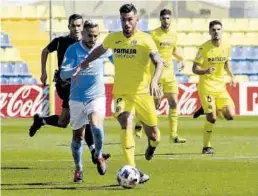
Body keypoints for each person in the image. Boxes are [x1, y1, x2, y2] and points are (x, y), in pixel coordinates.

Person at [73, 4, 164, 184]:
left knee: (153, 134)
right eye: (123, 19)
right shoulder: (114, 38)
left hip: (143, 94)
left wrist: (154, 81)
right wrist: (84, 62)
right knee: (126, 120)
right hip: (122, 93)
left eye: (130, 19)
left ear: (137, 20)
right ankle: (133, 168)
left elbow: (159, 62)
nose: (126, 23)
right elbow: (100, 49)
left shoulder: (146, 40)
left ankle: (152, 146)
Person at [28, 14, 110, 164]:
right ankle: (95, 152)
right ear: (69, 27)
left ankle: (42, 121)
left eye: (79, 25)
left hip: (82, 86)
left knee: (63, 121)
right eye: (74, 26)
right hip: (65, 85)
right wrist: (44, 72)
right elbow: (45, 51)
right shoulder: (61, 42)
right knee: (85, 119)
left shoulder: (87, 42)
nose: (76, 29)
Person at [60, 20, 112, 182]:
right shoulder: (73, 50)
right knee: (78, 137)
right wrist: (75, 69)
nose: (93, 39)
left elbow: (119, 62)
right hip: (76, 99)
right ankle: (79, 169)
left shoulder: (102, 49)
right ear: (82, 34)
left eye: (96, 36)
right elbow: (63, 74)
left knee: (96, 126)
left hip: (96, 96)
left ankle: (98, 154)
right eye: (89, 35)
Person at [135, 9, 187, 143]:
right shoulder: (153, 34)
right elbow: (147, 50)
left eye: (168, 18)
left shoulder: (174, 35)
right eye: (164, 18)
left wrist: (181, 59)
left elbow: (173, 49)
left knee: (174, 102)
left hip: (169, 73)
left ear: (171, 19)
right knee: (154, 104)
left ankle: (173, 135)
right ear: (160, 19)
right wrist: (157, 59)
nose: (166, 21)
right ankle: (139, 124)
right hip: (156, 73)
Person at [192, 20, 236, 154]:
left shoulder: (227, 45)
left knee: (231, 116)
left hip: (220, 87)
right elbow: (194, 68)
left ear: (221, 31)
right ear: (209, 32)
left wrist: (231, 75)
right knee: (212, 118)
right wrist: (205, 71)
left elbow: (226, 62)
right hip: (207, 87)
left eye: (218, 29)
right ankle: (206, 146)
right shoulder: (204, 48)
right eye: (214, 30)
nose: (216, 32)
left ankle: (207, 109)